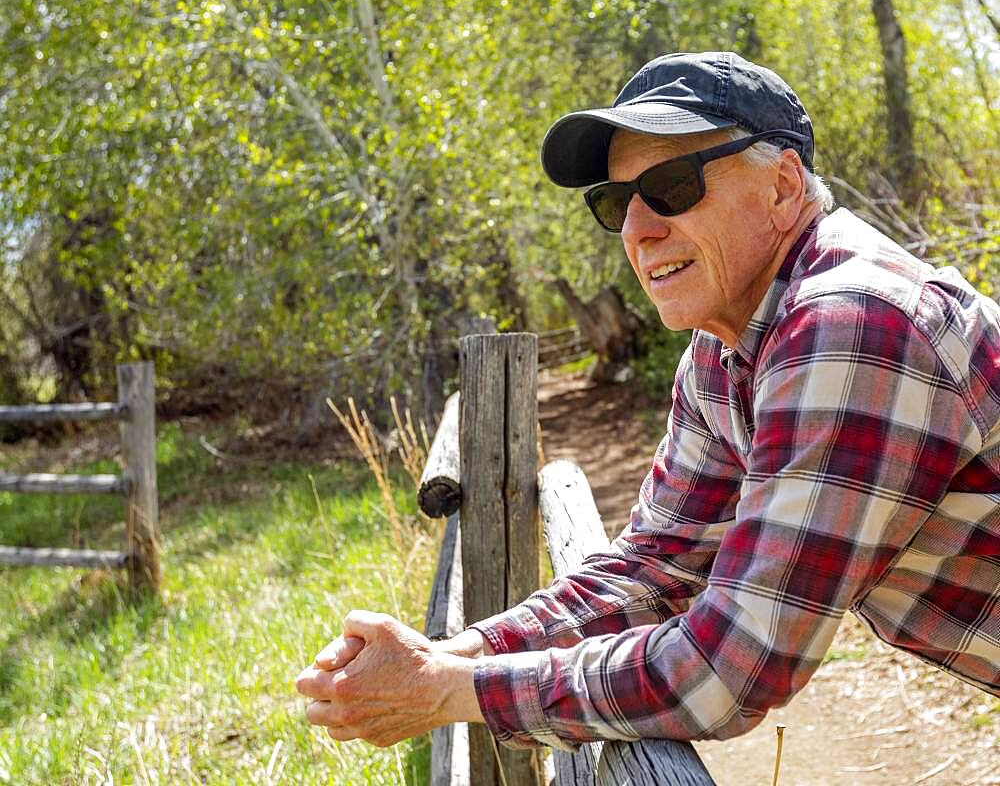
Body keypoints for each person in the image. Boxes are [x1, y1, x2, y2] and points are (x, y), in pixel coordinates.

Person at [295, 51, 1000, 751]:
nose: (636, 230)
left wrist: (452, 692)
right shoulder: (728, 343)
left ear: (784, 186)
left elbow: (732, 668)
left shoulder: (852, 324)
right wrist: (458, 654)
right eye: (614, 203)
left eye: (670, 185)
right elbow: (655, 566)